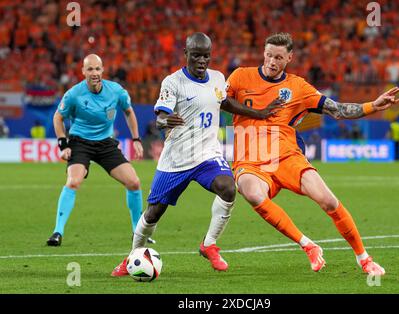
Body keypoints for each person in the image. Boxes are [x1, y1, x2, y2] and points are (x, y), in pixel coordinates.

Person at [226, 33, 399, 276]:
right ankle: (307, 244)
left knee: (328, 200)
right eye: (268, 55)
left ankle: (365, 259)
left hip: (287, 156)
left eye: (278, 57)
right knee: (253, 193)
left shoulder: (298, 87)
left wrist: (373, 105)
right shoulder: (240, 76)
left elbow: (338, 110)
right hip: (250, 158)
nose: (271, 61)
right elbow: (218, 100)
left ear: (289, 57)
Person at [111, 33, 280, 275]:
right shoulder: (173, 82)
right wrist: (164, 120)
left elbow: (225, 103)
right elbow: (159, 117)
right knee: (153, 213)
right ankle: (131, 260)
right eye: (196, 55)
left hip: (207, 155)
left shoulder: (218, 78)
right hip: (176, 158)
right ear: (186, 55)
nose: (202, 60)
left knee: (228, 188)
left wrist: (261, 113)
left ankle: (209, 245)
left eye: (206, 56)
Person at [47, 54, 148, 246]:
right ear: (83, 72)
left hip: (105, 143)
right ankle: (57, 232)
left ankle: (137, 231)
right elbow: (58, 117)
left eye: (98, 69)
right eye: (90, 69)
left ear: (103, 70)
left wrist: (136, 138)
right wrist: (63, 143)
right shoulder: (74, 94)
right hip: (79, 143)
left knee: (134, 182)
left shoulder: (116, 91)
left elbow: (129, 111)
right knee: (74, 181)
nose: (95, 73)